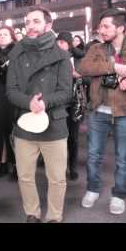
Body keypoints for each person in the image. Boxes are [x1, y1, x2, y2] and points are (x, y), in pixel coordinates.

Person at [77, 8, 126, 215]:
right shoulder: (96, 49)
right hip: (97, 110)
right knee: (93, 154)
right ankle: (93, 188)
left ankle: (119, 194)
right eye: (100, 26)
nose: (100, 30)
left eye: (106, 26)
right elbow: (84, 68)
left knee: (123, 156)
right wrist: (114, 66)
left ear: (121, 28)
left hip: (125, 111)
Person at [6, 7, 72, 223]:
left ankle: (55, 216)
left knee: (57, 178)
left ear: (48, 25)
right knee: (25, 176)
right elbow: (11, 90)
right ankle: (32, 213)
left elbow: (66, 92)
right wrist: (28, 102)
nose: (31, 26)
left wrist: (43, 102)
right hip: (25, 123)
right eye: (27, 22)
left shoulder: (62, 56)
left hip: (54, 124)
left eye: (36, 21)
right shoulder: (16, 54)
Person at [56, 32, 85, 181]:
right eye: (58, 42)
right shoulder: (53, 59)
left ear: (69, 44)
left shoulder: (79, 58)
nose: (60, 45)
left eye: (63, 42)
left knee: (73, 138)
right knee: (59, 137)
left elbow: (88, 77)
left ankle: (72, 167)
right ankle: (60, 167)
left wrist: (77, 75)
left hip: (74, 102)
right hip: (58, 103)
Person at [0, 26, 18, 181]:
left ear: (12, 37)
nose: (1, 37)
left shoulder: (17, 52)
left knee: (13, 133)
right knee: (0, 132)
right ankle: (3, 163)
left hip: (12, 94)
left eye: (5, 34)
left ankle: (16, 165)